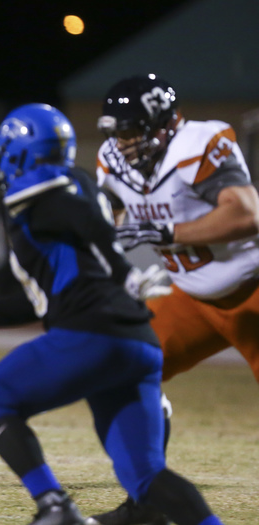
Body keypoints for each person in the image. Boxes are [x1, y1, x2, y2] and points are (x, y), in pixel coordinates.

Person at [0, 103, 225, 525]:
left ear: (18, 152)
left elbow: (78, 219)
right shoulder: (78, 184)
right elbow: (40, 299)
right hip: (139, 343)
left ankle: (54, 505)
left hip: (91, 335)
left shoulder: (41, 193)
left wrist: (124, 271)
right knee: (147, 478)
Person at [86, 73, 259, 525]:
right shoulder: (113, 161)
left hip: (253, 290)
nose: (121, 143)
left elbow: (246, 213)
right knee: (119, 371)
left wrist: (168, 233)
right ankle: (148, 504)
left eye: (130, 131)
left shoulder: (199, 144)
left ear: (163, 125)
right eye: (116, 132)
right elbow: (118, 217)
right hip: (193, 296)